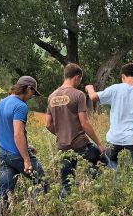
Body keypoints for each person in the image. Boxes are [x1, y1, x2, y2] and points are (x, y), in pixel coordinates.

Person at [0, 75, 47, 216]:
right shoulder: (20, 106)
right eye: (32, 93)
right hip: (17, 155)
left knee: (3, 192)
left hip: (3, 154)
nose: (31, 97)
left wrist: (27, 145)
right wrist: (26, 159)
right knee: (42, 182)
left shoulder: (2, 103)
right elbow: (17, 134)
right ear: (28, 88)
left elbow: (6, 130)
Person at [44, 63, 106, 195]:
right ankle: (91, 188)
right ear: (76, 77)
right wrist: (99, 144)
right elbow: (84, 123)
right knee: (103, 160)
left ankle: (64, 207)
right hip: (81, 144)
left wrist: (61, 135)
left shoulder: (51, 96)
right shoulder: (78, 95)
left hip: (63, 146)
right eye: (80, 80)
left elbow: (48, 124)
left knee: (66, 182)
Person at [85, 62, 133, 167]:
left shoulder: (115, 89)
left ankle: (116, 179)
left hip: (114, 138)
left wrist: (90, 88)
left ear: (123, 76)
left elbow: (93, 97)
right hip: (132, 139)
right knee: (131, 170)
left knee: (110, 164)